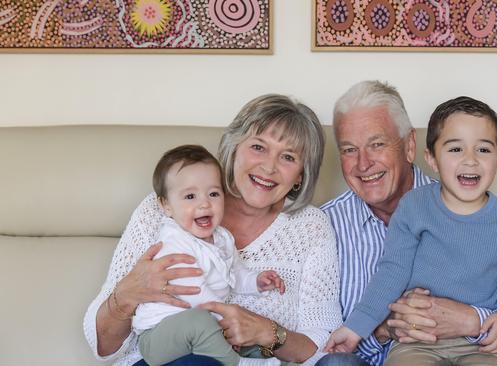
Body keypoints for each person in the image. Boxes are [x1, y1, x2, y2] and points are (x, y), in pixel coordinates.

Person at [83, 94, 342, 366]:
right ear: (234, 148)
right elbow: (102, 346)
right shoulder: (163, 209)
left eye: (288, 157)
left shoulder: (311, 227)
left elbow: (324, 345)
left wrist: (268, 332)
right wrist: (125, 298)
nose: (269, 167)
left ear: (301, 174)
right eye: (258, 147)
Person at [318, 81, 497, 366]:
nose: (363, 163)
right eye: (348, 150)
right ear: (432, 157)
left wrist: (488, 318)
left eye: (377, 144)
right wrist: (368, 328)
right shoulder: (326, 225)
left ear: (410, 147)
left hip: (480, 347)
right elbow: (391, 272)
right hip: (412, 346)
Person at [134, 144, 286, 366]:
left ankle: (251, 354)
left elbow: (235, 273)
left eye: (213, 194)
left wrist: (256, 281)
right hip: (158, 335)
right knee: (202, 319)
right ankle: (238, 363)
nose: (204, 203)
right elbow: (196, 295)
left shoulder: (222, 238)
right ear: (166, 205)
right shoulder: (174, 241)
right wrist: (227, 318)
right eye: (190, 196)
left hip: (199, 336)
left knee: (232, 331)